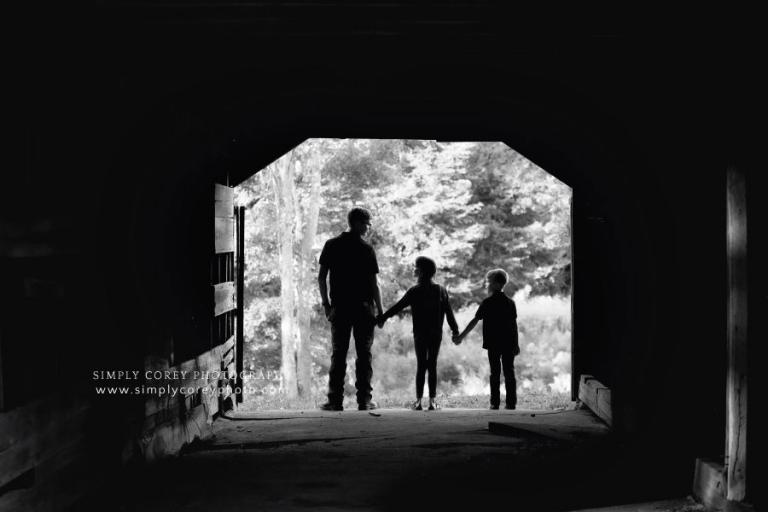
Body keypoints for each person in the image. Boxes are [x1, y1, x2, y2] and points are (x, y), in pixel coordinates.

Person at [318, 207, 383, 411]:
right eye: (366, 223)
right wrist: (380, 310)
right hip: (363, 309)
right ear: (355, 222)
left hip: (340, 308)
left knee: (339, 354)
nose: (368, 227)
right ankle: (364, 400)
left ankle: (335, 400)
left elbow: (321, 277)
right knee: (364, 355)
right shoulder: (366, 249)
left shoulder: (332, 245)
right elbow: (374, 284)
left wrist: (327, 305)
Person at [377, 256, 459, 411]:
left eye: (416, 267)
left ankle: (419, 402)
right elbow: (449, 313)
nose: (414, 269)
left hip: (420, 334)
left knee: (422, 365)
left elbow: (398, 307)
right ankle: (433, 402)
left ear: (421, 271)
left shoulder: (415, 291)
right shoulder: (440, 290)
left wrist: (382, 318)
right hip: (436, 333)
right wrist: (455, 331)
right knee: (432, 365)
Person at [453, 268, 519, 410]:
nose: (486, 285)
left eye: (489, 282)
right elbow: (514, 326)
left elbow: (474, 321)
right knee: (509, 371)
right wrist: (516, 344)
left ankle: (494, 403)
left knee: (494, 372)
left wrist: (461, 337)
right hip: (508, 342)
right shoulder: (510, 303)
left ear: (496, 284)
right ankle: (511, 403)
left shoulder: (487, 302)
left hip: (493, 342)